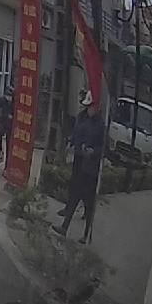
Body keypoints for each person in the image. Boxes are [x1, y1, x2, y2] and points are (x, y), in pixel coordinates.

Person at [55, 91, 104, 243]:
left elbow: (103, 148)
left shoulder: (100, 125)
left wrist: (93, 152)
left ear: (96, 107)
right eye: (87, 106)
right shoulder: (82, 117)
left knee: (89, 201)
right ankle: (64, 227)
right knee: (75, 193)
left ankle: (86, 234)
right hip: (80, 160)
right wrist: (71, 141)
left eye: (91, 107)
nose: (88, 109)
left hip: (91, 168)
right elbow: (77, 134)